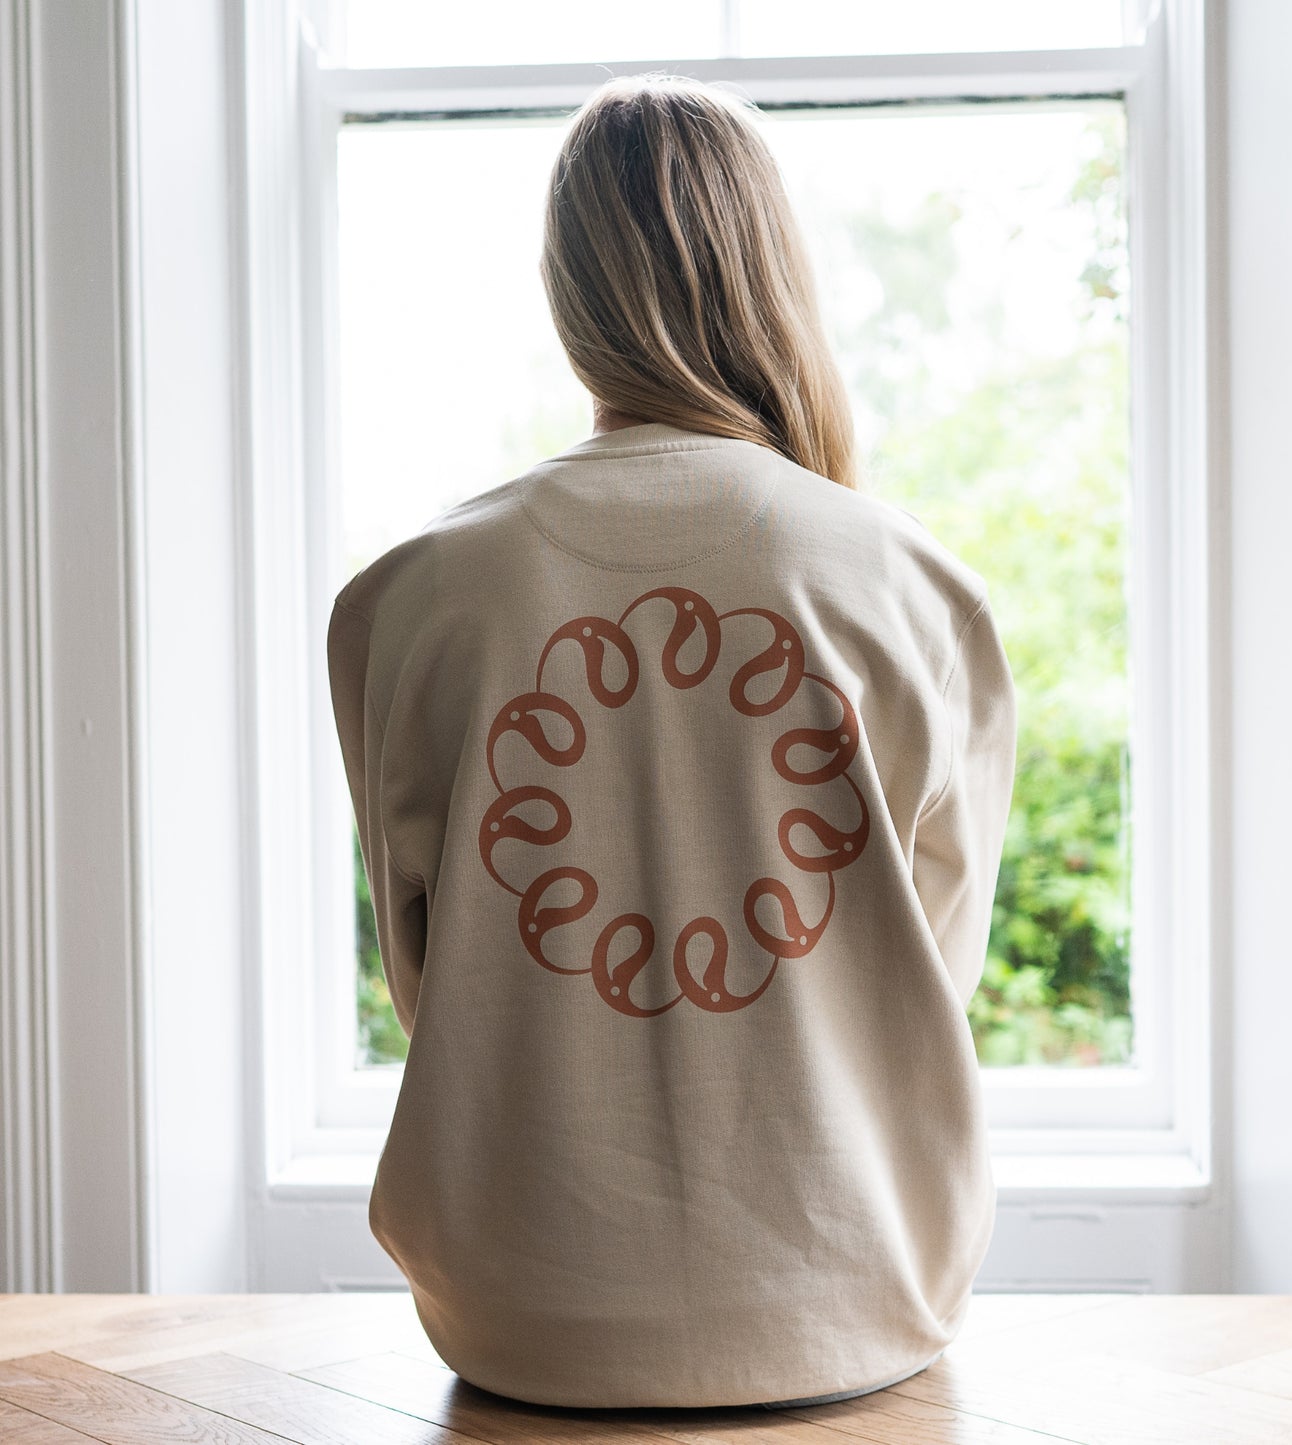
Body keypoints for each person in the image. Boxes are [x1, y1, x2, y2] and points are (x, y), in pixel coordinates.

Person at [327, 70, 1018, 1413]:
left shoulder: (404, 599)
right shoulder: (914, 587)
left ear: (562, 284)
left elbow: (430, 978)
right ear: (778, 271)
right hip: (850, 1295)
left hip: (520, 1309)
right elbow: (930, 972)